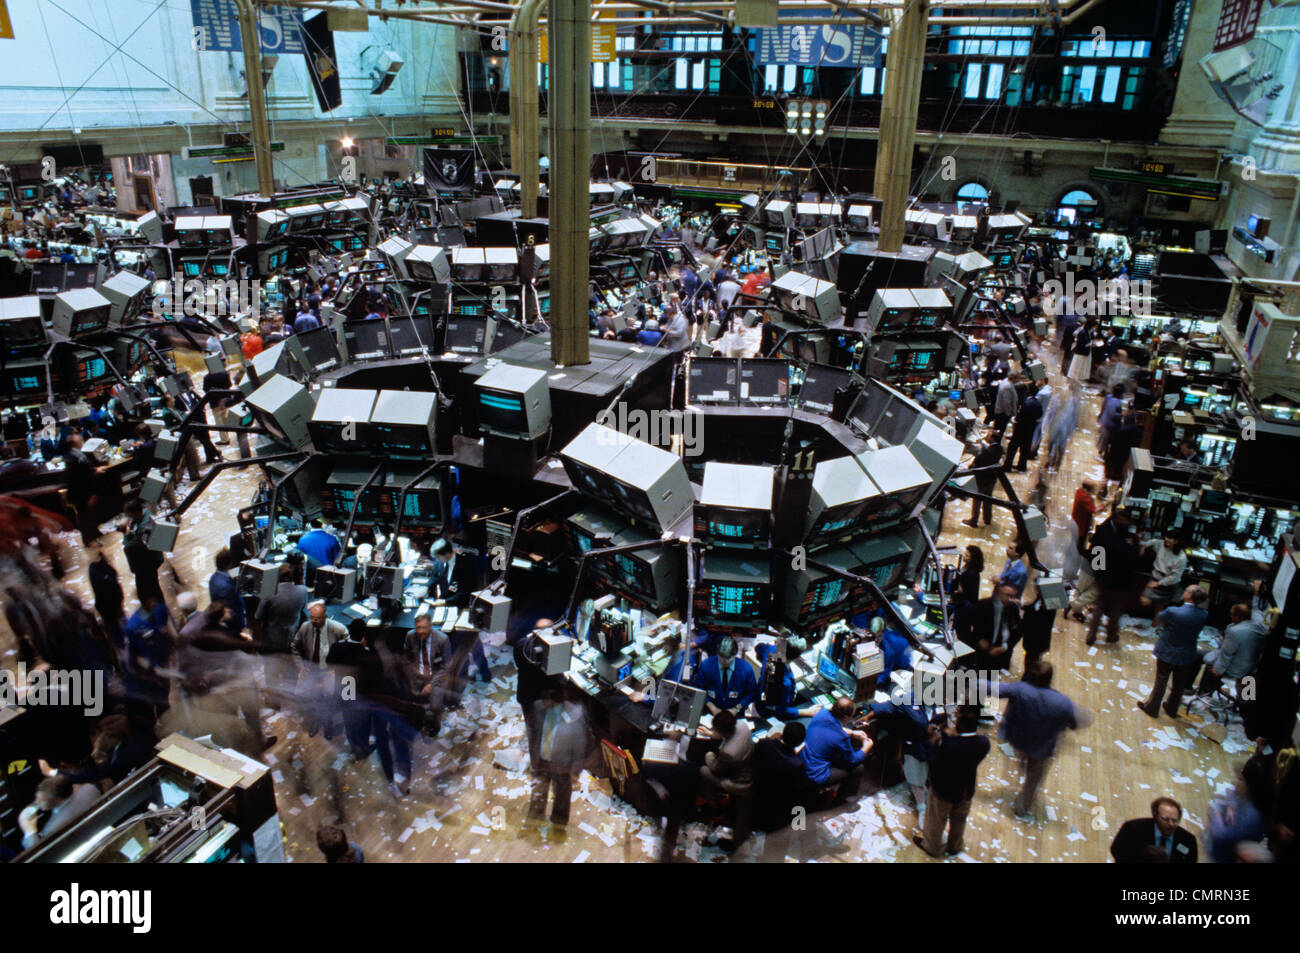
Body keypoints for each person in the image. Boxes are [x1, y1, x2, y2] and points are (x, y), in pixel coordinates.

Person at [988, 660, 1091, 820]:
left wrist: (965, 682)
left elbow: (993, 689)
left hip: (1019, 740)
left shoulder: (1020, 689)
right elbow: (1077, 722)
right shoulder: (1062, 702)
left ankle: (1023, 766)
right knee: (1033, 777)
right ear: (1050, 678)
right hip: (1041, 747)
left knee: (1023, 759)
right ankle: (1021, 808)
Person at [915, 705, 989, 858]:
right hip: (966, 790)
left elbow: (933, 760)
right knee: (959, 819)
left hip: (944, 790)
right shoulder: (983, 743)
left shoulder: (949, 745)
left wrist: (932, 740)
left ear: (959, 722)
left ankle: (932, 847)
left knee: (935, 820)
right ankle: (954, 846)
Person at [526, 679, 594, 829]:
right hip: (542, 762)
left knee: (562, 797)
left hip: (562, 765)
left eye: (548, 698)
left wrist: (575, 770)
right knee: (538, 792)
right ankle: (534, 823)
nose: (545, 702)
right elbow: (533, 733)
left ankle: (558, 825)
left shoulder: (575, 714)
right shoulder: (538, 708)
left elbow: (580, 745)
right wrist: (533, 757)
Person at [1137, 585, 1209, 718]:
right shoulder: (1204, 614)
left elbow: (1161, 619)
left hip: (1167, 651)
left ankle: (1151, 708)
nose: (1184, 592)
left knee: (1161, 681)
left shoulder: (1173, 611)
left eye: (1186, 590)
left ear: (1189, 596)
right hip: (1187, 652)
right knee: (1179, 684)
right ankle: (1171, 709)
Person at [429, 538, 490, 684]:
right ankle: (464, 671)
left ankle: (485, 673)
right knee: (452, 644)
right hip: (448, 609)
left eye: (439, 557)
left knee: (473, 644)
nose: (437, 560)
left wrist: (444, 601)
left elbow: (465, 593)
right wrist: (426, 586)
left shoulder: (466, 564)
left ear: (448, 554)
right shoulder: (439, 563)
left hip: (464, 608)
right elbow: (434, 578)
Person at [699, 708, 754, 851]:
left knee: (704, 771)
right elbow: (729, 737)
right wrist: (713, 734)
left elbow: (716, 768)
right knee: (743, 812)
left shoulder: (729, 752)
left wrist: (708, 755)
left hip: (739, 783)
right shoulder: (742, 725)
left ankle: (714, 807)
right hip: (750, 769)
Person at [1085, 508, 1138, 646]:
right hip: (1114, 578)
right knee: (1113, 609)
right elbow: (1096, 553)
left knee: (1102, 607)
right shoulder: (1105, 532)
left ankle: (1096, 635)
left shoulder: (1113, 529)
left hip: (1109, 577)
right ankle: (1108, 635)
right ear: (1117, 519)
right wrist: (1098, 573)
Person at [802, 698, 871, 800]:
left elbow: (831, 726)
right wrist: (866, 747)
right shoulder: (842, 737)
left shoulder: (822, 714)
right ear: (846, 717)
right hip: (814, 776)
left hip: (803, 763)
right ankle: (842, 800)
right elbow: (852, 761)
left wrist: (852, 733)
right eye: (851, 716)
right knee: (857, 768)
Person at [1196, 602, 1268, 698]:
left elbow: (1227, 654)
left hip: (1236, 668)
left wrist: (1218, 669)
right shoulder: (1259, 627)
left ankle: (1204, 693)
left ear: (1239, 617)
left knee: (1205, 659)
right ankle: (1241, 702)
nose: (1230, 617)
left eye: (1231, 615)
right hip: (1252, 668)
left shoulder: (1234, 631)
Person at [1207, 761, 1271, 863]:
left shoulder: (1251, 816)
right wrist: (1231, 806)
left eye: (1241, 779)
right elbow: (1232, 796)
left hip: (1225, 856)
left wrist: (1216, 813)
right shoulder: (1243, 795)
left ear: (1251, 785)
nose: (1235, 782)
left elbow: (1222, 835)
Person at [18, 775, 103, 849]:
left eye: (42, 800)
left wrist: (29, 831)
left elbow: (39, 854)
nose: (36, 802)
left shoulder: (51, 829)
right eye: (37, 798)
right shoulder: (89, 788)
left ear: (59, 799)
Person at [1110, 797, 1198, 863]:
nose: (1171, 824)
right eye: (1165, 819)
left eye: (1175, 820)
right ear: (1155, 815)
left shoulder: (1188, 840)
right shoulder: (1133, 829)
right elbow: (1117, 850)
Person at [403, 611, 449, 735]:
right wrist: (412, 679)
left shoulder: (442, 639)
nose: (420, 631)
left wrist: (431, 685)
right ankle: (419, 722)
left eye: (424, 628)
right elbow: (406, 659)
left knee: (435, 706)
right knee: (409, 702)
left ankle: (436, 723)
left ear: (430, 627)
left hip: (437, 678)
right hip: (417, 675)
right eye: (418, 627)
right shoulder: (410, 636)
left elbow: (446, 667)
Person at [694, 635, 758, 716]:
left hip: (735, 714)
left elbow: (751, 693)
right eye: (721, 657)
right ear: (717, 653)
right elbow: (699, 689)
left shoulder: (746, 669)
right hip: (710, 714)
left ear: (735, 654)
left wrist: (736, 709)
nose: (724, 661)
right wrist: (712, 707)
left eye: (728, 657)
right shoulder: (706, 666)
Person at [120, 499, 165, 606]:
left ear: (135, 513)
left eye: (129, 515)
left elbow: (129, 544)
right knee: (152, 585)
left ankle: (158, 608)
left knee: (148, 589)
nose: (129, 518)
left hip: (147, 560)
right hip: (151, 554)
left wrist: (123, 529)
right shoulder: (147, 513)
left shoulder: (144, 526)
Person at [970, 583, 1022, 672]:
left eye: (1012, 596)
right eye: (1007, 595)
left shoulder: (1013, 608)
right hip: (982, 652)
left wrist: (1005, 647)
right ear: (997, 593)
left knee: (994, 682)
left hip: (1002, 654)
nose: (1009, 599)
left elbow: (1017, 632)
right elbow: (971, 625)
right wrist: (979, 640)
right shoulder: (982, 605)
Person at [1137, 533, 1188, 619]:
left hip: (1168, 583)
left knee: (1159, 607)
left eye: (1170, 538)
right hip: (1155, 576)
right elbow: (1147, 543)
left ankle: (1154, 627)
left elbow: (1174, 577)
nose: (1166, 539)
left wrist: (1158, 583)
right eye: (1166, 537)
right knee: (1144, 600)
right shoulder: (1160, 544)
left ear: (1176, 541)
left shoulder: (1182, 558)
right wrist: (1142, 545)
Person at [962, 436, 1004, 528]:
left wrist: (971, 465)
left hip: (982, 480)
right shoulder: (999, 449)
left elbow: (977, 463)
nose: (986, 436)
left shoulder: (986, 453)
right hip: (992, 479)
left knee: (977, 500)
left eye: (989, 435)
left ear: (993, 439)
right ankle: (987, 519)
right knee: (988, 499)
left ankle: (974, 521)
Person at [208, 548, 246, 635]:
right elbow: (231, 611)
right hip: (234, 626)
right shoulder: (224, 587)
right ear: (230, 564)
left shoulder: (214, 577)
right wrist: (242, 627)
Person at [1005, 388, 1043, 472]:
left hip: (1020, 429)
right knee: (1025, 449)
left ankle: (1007, 466)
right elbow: (1040, 415)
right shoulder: (1038, 404)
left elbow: (1019, 416)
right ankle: (1022, 466)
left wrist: (1015, 419)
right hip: (1030, 430)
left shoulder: (1026, 403)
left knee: (1012, 448)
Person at [1097, 384, 1126, 458]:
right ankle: (1105, 455)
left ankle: (1101, 451)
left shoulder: (1108, 397)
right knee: (1108, 440)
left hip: (1105, 421)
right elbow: (1115, 415)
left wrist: (1100, 416)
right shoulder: (1118, 402)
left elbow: (1103, 408)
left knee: (1103, 437)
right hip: (1111, 424)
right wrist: (1121, 416)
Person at [990, 372, 1019, 442]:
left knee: (997, 429)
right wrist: (1008, 414)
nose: (1018, 381)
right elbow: (1007, 402)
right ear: (1013, 378)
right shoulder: (1008, 386)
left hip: (1000, 410)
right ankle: (995, 444)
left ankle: (994, 443)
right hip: (1002, 413)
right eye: (1017, 379)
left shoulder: (1005, 381)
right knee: (999, 431)